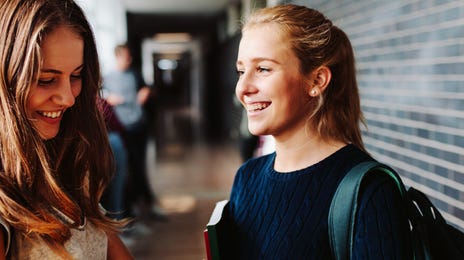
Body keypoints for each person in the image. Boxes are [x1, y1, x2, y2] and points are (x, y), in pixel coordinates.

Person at [228, 4, 412, 259]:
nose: (243, 88)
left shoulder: (370, 191)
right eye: (241, 71)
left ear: (316, 81)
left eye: (263, 69)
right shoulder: (246, 179)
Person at [0, 0, 133, 258]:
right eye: (46, 80)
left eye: (76, 75)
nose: (68, 99)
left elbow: (105, 241)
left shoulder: (69, 155)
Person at [102, 43, 166, 221]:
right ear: (117, 57)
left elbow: (148, 88)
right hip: (122, 128)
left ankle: (143, 206)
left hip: (139, 124)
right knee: (129, 169)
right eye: (125, 57)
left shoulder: (135, 74)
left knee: (139, 167)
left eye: (130, 57)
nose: (128, 60)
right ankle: (133, 209)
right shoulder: (107, 78)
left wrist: (146, 92)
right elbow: (98, 96)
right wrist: (107, 98)